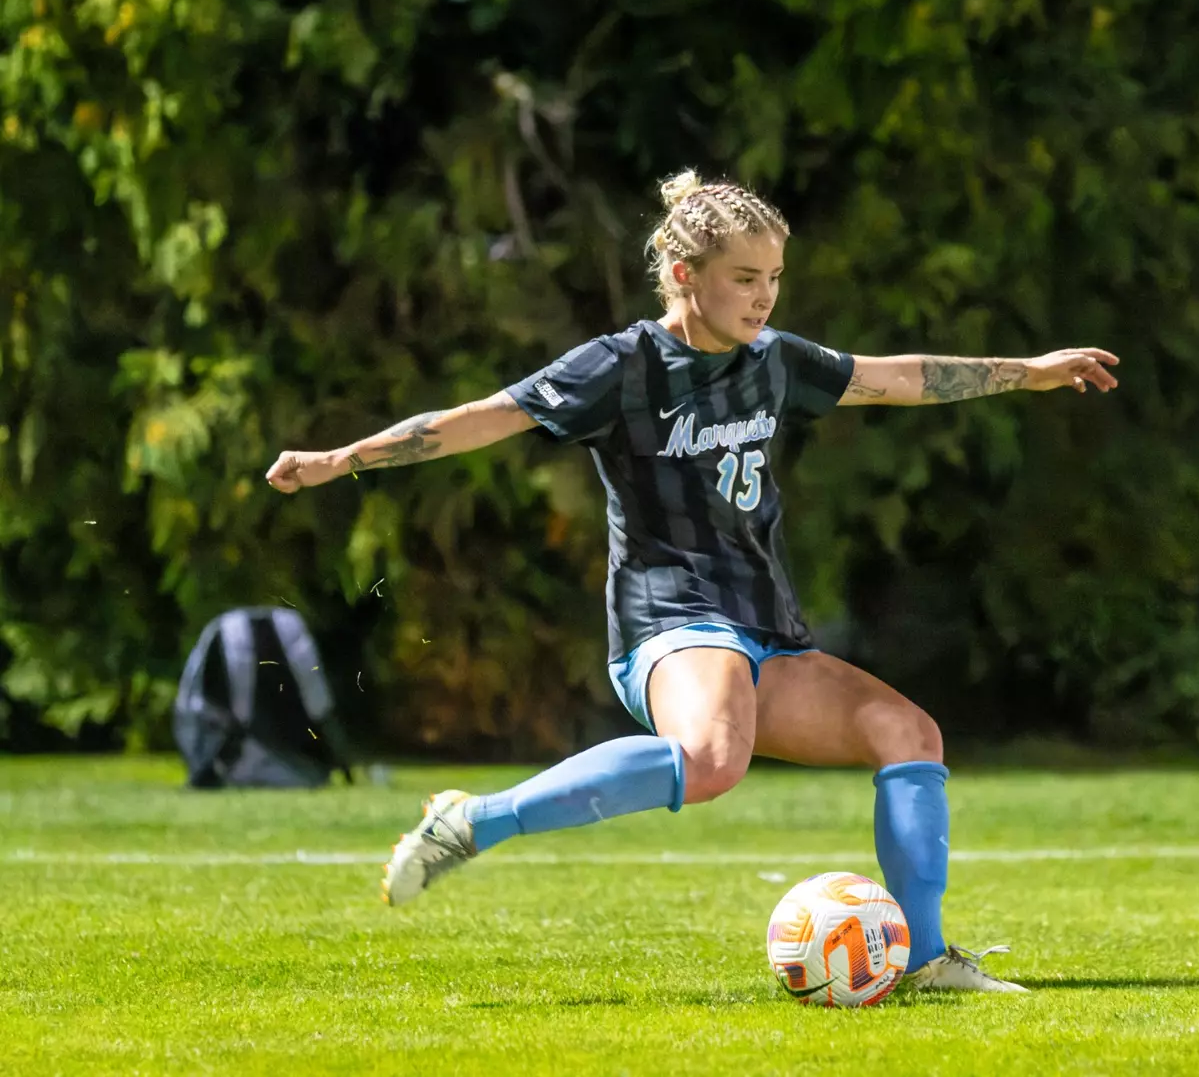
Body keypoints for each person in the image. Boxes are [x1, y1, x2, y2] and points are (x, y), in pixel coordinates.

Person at [265, 170, 1120, 991]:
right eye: (744, 278)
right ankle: (473, 822)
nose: (764, 296)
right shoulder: (620, 366)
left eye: (774, 277)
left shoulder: (773, 359)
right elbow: (484, 417)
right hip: (669, 620)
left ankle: (926, 958)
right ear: (683, 274)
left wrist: (1028, 371)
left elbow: (894, 377)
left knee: (909, 734)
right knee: (713, 761)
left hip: (763, 628)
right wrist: (343, 458)